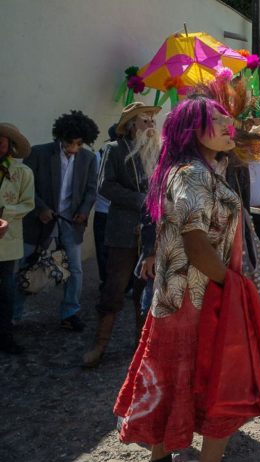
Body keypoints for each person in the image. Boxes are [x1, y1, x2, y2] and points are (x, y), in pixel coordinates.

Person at [113, 94, 260, 462]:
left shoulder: (190, 171)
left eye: (227, 119)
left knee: (173, 381)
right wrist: (232, 285)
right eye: (216, 119)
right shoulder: (193, 176)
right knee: (220, 385)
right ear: (191, 129)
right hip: (199, 304)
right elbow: (196, 243)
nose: (227, 125)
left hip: (175, 301)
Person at [82, 102, 162, 367]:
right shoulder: (114, 149)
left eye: (152, 121)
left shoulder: (159, 152)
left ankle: (141, 345)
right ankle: (100, 344)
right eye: (144, 121)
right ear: (130, 126)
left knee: (145, 289)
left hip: (152, 235)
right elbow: (105, 185)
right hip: (123, 230)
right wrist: (140, 199)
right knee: (115, 288)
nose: (150, 126)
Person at [18, 110, 99, 332]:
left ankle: (70, 312)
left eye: (79, 144)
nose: (73, 149)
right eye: (69, 143)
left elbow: (91, 191)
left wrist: (83, 212)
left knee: (75, 269)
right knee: (25, 266)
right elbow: (25, 188)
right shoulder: (38, 153)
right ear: (60, 137)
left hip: (70, 223)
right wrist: (41, 208)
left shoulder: (89, 159)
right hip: (39, 222)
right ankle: (12, 316)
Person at [0, 123, 35, 354]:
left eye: (1, 141)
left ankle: (5, 337)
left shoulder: (22, 173)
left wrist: (3, 213)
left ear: (10, 146)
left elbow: (27, 204)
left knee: (5, 290)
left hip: (7, 241)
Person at [93, 124, 119, 289]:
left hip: (123, 212)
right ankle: (107, 283)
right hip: (104, 211)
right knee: (103, 251)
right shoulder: (99, 156)